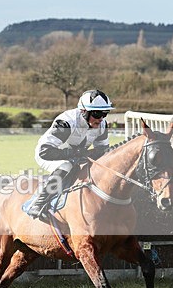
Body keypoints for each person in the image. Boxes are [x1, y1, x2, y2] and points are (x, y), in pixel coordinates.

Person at [23, 89, 113, 220]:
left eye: (105, 113)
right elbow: (45, 151)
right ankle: (38, 203)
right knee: (66, 165)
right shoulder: (67, 122)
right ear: (83, 111)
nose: (101, 119)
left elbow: (103, 151)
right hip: (49, 155)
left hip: (75, 157)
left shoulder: (102, 125)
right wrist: (75, 153)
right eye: (97, 113)